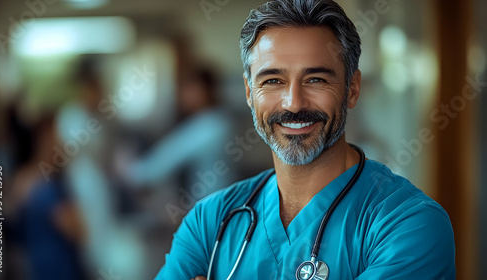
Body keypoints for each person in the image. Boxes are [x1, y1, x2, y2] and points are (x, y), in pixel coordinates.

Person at [154, 0, 456, 279]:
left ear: (352, 89)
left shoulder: (409, 225)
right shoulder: (209, 222)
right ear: (249, 93)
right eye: (273, 80)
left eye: (316, 79)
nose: (293, 103)